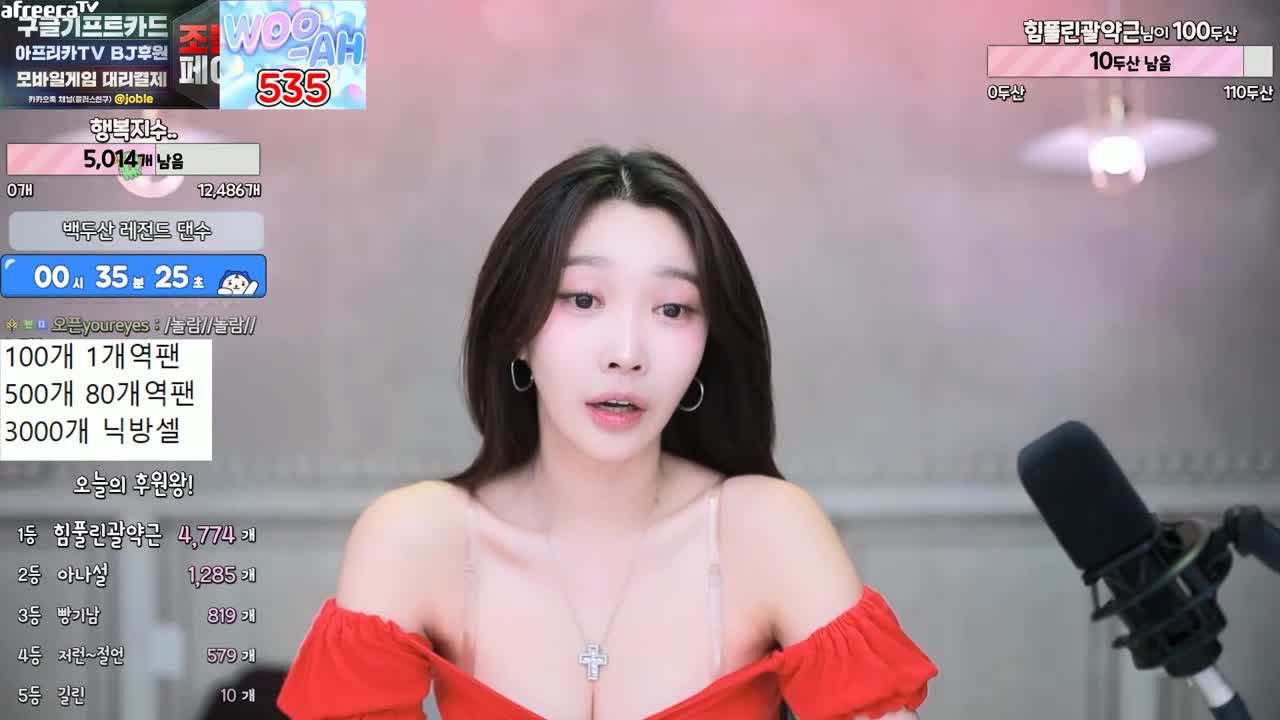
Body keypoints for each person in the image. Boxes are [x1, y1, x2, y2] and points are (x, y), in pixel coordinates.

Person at [277, 146, 938, 719]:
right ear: (516, 330)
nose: (627, 353)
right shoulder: (415, 539)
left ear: (707, 343)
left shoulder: (768, 531)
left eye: (673, 308)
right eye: (583, 299)